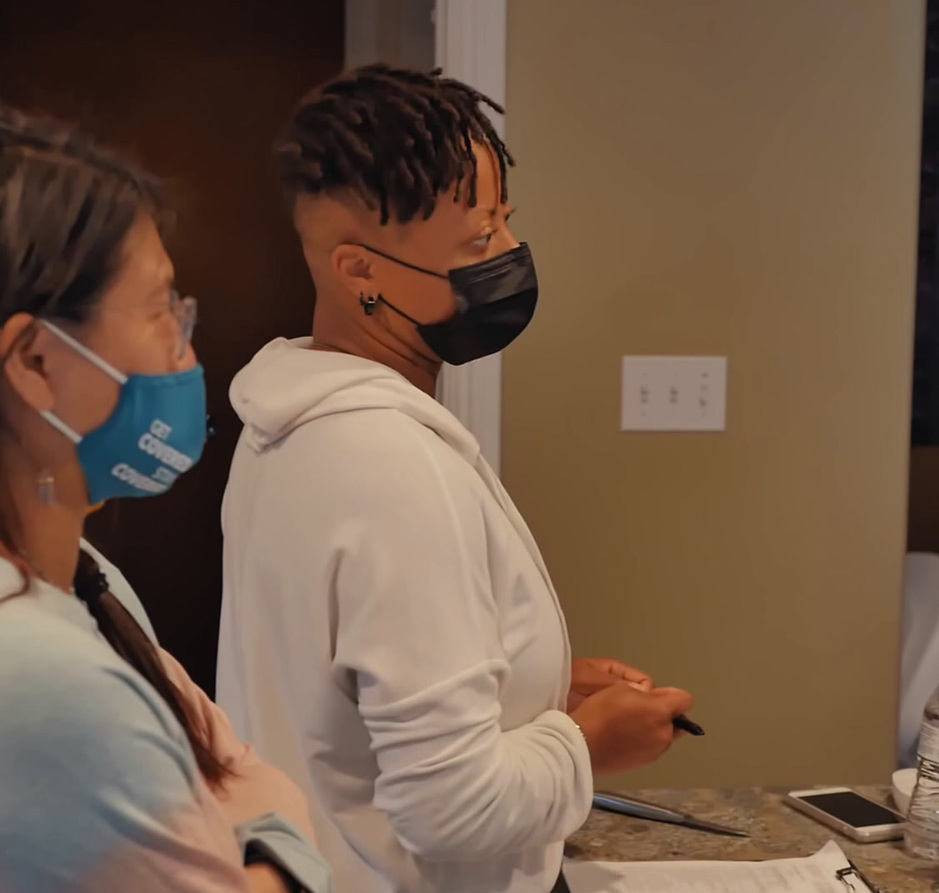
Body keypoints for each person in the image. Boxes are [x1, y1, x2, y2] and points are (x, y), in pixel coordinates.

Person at [0, 114, 331, 893]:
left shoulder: (57, 572)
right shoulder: (19, 675)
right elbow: (252, 786)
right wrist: (282, 844)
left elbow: (223, 766)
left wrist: (248, 818)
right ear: (36, 362)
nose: (185, 352)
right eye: (161, 312)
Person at [217, 65, 695, 893]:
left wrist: (526, 680)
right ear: (357, 270)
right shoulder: (390, 465)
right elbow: (453, 809)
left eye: (505, 222)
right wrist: (589, 746)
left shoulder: (284, 427)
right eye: (478, 242)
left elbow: (347, 695)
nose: (508, 254)